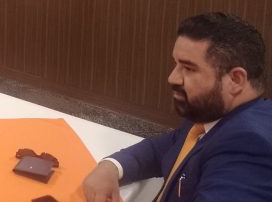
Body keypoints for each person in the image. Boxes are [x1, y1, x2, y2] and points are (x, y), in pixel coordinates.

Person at [82, 12, 272, 201]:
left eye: (188, 68)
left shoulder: (250, 148)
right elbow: (168, 147)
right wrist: (111, 167)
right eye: (176, 64)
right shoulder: (212, 113)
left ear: (235, 80)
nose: (172, 78)